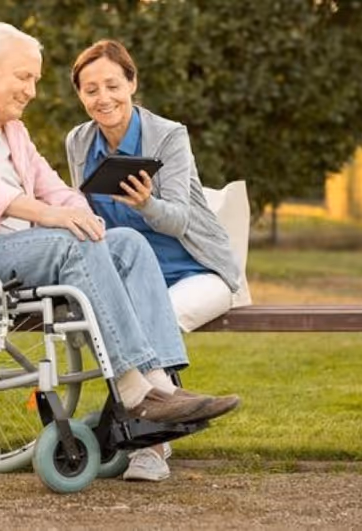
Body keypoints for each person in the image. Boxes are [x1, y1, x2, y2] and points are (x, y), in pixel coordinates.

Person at [0, 24, 240, 446]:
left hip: (4, 248)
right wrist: (46, 214)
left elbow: (55, 186)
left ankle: (161, 387)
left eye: (34, 79)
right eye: (24, 77)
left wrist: (84, 217)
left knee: (126, 242)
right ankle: (134, 393)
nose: (32, 91)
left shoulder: (10, 130)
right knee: (72, 243)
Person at [65, 40, 247, 481]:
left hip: (197, 269)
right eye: (91, 90)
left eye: (112, 85)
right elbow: (87, 217)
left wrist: (146, 203)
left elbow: (181, 220)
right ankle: (165, 413)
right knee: (108, 312)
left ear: (132, 83)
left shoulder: (168, 135)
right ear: (79, 95)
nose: (103, 98)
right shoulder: (78, 140)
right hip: (129, 270)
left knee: (142, 321)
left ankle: (151, 449)